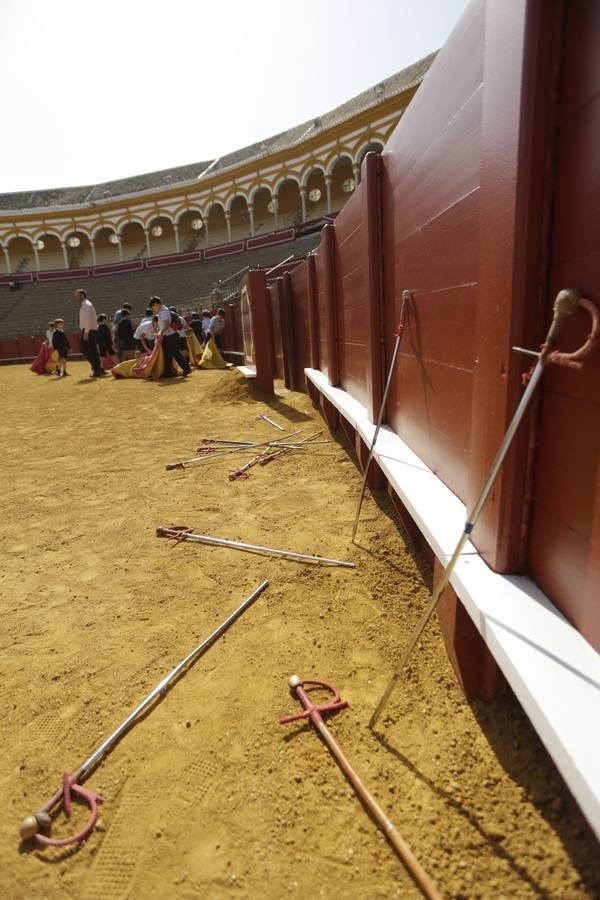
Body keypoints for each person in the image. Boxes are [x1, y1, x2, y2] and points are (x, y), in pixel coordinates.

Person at [149, 296, 191, 378]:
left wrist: (160, 333)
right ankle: (184, 369)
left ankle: (169, 372)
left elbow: (166, 324)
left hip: (169, 336)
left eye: (152, 306)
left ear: (156, 304)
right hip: (171, 336)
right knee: (173, 353)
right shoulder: (164, 310)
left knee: (168, 355)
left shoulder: (163, 312)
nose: (153, 309)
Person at [75, 288, 105, 377]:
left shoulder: (86, 305)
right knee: (92, 350)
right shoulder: (86, 305)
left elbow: (87, 319)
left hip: (89, 330)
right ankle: (97, 369)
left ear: (82, 295)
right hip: (90, 330)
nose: (76, 297)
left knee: (84, 349)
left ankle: (96, 368)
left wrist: (86, 332)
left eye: (77, 295)